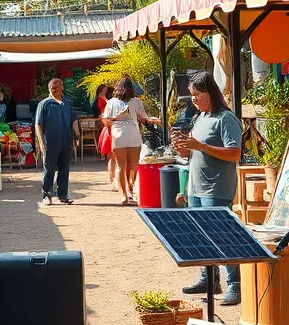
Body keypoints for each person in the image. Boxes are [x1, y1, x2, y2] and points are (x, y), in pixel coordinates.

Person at [172, 71, 244, 306]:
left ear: (209, 93)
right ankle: (209, 278)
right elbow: (193, 153)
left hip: (216, 189)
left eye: (196, 94)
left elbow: (234, 153)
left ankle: (235, 284)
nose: (192, 99)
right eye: (191, 95)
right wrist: (182, 147)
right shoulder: (200, 117)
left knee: (224, 237)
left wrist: (199, 145)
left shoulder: (226, 119)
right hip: (196, 187)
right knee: (201, 237)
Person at [102, 76, 159, 205]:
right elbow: (144, 118)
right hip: (133, 134)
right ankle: (131, 189)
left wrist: (116, 118)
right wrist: (155, 120)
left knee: (120, 166)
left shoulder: (111, 102)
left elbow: (106, 121)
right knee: (133, 166)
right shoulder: (136, 101)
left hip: (118, 135)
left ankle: (124, 195)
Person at [35, 77, 78, 205]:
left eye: (56, 88)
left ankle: (63, 195)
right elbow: (38, 124)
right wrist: (41, 142)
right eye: (52, 88)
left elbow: (73, 120)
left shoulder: (68, 103)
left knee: (64, 169)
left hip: (66, 141)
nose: (54, 90)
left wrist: (77, 135)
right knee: (49, 168)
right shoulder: (44, 104)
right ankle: (46, 194)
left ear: (62, 88)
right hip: (50, 142)